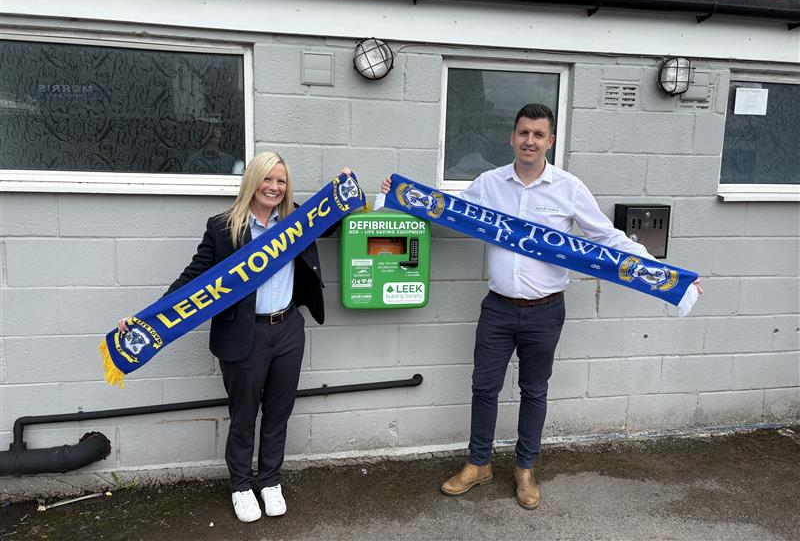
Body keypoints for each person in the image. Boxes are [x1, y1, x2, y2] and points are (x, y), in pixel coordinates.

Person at [381, 104, 702, 510]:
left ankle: (525, 469)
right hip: (497, 309)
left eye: (538, 134)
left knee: (534, 391)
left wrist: (661, 270)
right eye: (523, 133)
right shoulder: (490, 183)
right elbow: (448, 209)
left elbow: (607, 236)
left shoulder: (568, 188)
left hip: (545, 311)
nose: (529, 141)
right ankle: (478, 463)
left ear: (550, 141)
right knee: (484, 388)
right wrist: (400, 194)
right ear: (512, 138)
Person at [119, 152, 349, 523]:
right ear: (252, 181)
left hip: (289, 328)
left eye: (282, 181)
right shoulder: (223, 228)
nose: (275, 187)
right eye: (268, 180)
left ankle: (270, 480)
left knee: (279, 412)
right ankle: (241, 485)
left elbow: (333, 224)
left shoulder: (296, 220)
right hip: (246, 334)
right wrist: (147, 316)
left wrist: (345, 189)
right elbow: (192, 278)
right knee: (244, 415)